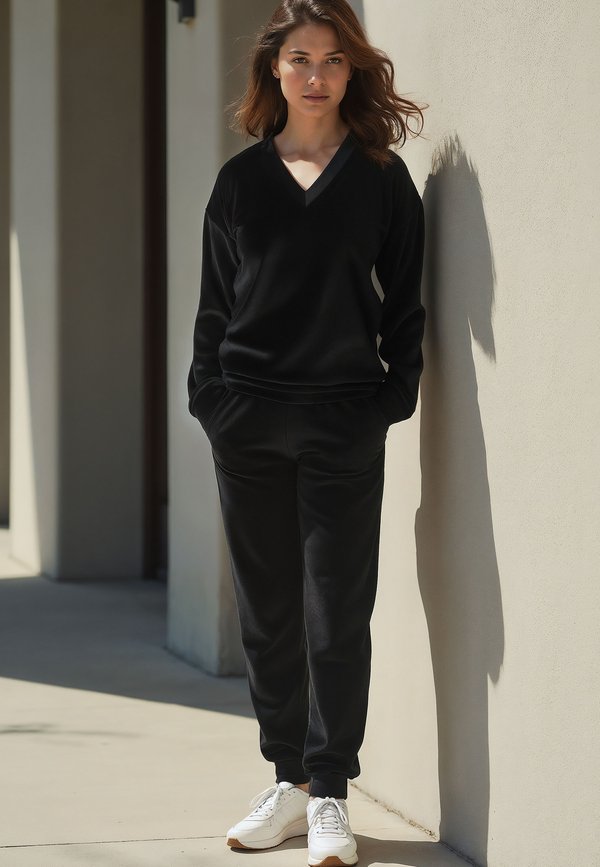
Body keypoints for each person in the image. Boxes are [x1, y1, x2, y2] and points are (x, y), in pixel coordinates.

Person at [187, 1, 426, 864]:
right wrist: (212, 402)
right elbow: (215, 310)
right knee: (268, 614)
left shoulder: (382, 180)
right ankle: (287, 780)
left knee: (336, 613)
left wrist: (387, 401)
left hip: (341, 423)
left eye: (331, 59)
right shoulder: (240, 182)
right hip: (247, 421)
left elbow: (406, 310)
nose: (316, 74)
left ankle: (330, 791)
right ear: (275, 69)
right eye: (299, 58)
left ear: (351, 70)